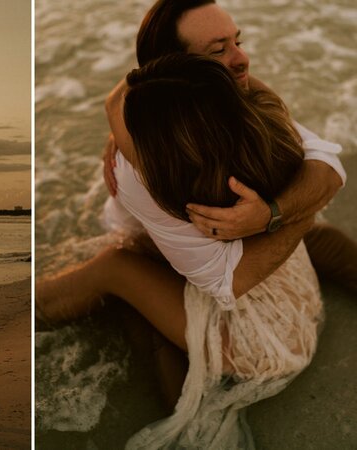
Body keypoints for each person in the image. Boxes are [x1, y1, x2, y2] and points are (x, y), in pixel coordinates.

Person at [42, 53, 322, 448]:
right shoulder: (263, 131)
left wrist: (120, 144)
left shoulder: (172, 184)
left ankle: (29, 309)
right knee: (139, 258)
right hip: (290, 302)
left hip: (257, 342)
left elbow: (113, 107)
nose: (238, 58)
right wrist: (294, 213)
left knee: (116, 265)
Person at [102, 0, 356, 292]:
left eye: (238, 41)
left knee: (330, 243)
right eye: (218, 50)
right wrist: (288, 216)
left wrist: (272, 214)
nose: (243, 59)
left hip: (233, 244)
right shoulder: (149, 162)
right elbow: (222, 279)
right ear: (174, 72)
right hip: (159, 249)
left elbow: (327, 164)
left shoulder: (233, 100)